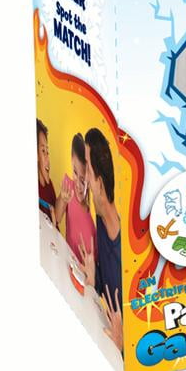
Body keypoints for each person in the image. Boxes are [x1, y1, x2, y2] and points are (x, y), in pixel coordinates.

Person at [78, 128, 123, 352]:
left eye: (87, 168)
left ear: (100, 182)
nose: (84, 176)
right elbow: (106, 288)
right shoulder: (102, 221)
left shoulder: (125, 255)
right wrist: (94, 277)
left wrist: (122, 346)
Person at [54, 133, 96, 267]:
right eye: (75, 173)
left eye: (83, 180)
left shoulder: (94, 202)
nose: (78, 183)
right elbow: (57, 217)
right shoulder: (69, 188)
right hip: (71, 266)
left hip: (89, 271)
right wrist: (63, 199)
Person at [37, 119, 57, 221]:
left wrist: (63, 198)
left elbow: (56, 217)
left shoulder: (49, 186)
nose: (47, 158)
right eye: (43, 151)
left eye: (47, 151)